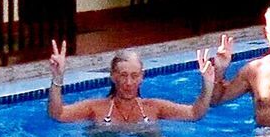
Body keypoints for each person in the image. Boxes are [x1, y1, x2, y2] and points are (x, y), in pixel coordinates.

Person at [45, 41, 211, 127]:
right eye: (123, 75)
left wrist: (208, 84)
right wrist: (58, 77)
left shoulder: (154, 107)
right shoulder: (95, 108)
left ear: (142, 77)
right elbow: (58, 114)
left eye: (134, 76)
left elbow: (195, 113)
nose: (129, 83)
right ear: (113, 76)